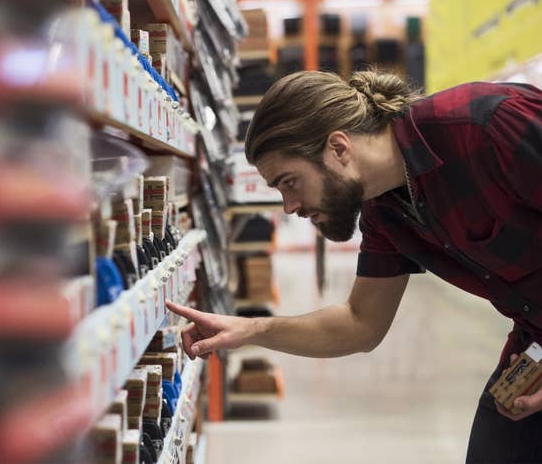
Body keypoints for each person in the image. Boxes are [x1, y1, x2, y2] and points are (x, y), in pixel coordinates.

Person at [165, 69, 542, 463]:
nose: (289, 207)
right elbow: (361, 323)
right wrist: (250, 329)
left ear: (339, 148)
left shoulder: (487, 125)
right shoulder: (386, 210)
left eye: (289, 182)